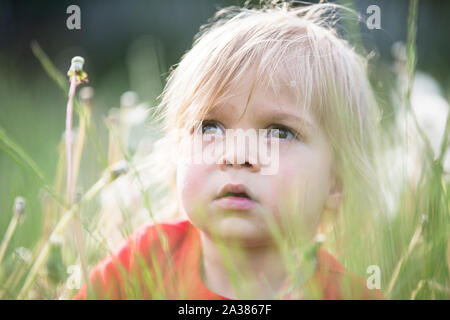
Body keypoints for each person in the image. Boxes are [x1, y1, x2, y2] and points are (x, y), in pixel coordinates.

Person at [74, 1, 384, 300]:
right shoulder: (145, 263)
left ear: (337, 180)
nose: (237, 155)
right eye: (210, 126)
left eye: (279, 132)